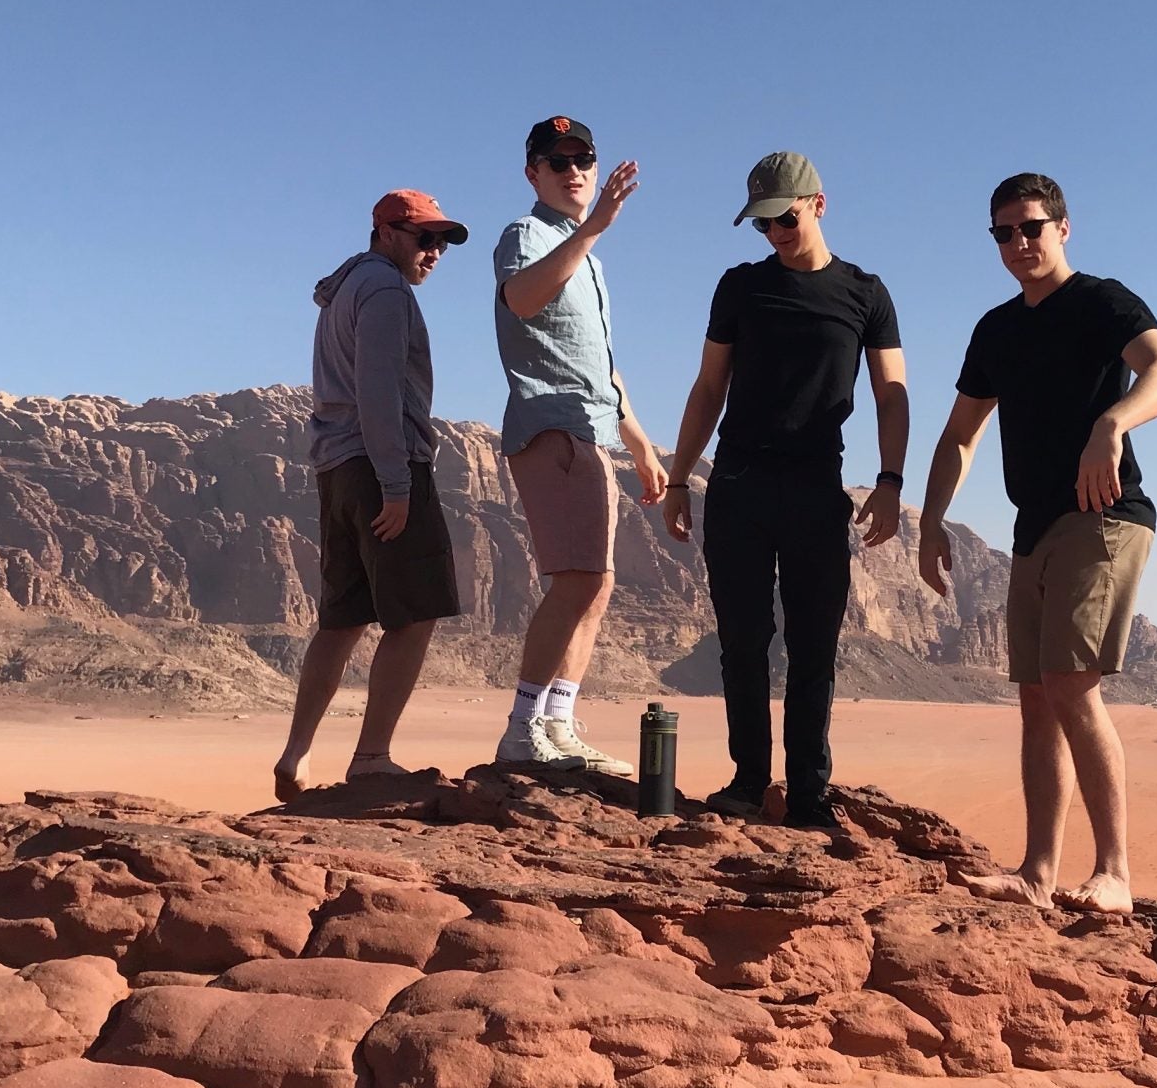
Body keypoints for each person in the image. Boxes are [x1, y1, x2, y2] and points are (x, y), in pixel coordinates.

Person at [918, 171, 1157, 912]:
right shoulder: (997, 330)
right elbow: (960, 435)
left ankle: (1115, 874)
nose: (1018, 244)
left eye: (1031, 227)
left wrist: (1112, 425)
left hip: (1104, 513)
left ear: (1063, 228)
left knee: (1071, 684)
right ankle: (1038, 874)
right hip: (1033, 525)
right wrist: (930, 519)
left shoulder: (1102, 302)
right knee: (1037, 699)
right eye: (1003, 232)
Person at [662, 150, 909, 830]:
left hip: (815, 489)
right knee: (742, 640)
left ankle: (808, 793)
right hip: (739, 484)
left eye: (785, 217)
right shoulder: (740, 288)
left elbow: (892, 394)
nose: (774, 231)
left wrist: (890, 480)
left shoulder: (865, 293)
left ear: (819, 205)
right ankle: (747, 781)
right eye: (762, 222)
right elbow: (709, 387)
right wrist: (680, 477)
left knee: (814, 646)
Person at [275, 189, 469, 802]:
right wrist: (396, 482)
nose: (434, 252)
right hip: (381, 464)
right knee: (415, 614)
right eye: (423, 238)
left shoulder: (344, 292)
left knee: (342, 619)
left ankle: (296, 753)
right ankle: (372, 757)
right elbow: (378, 389)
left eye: (441, 242)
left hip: (336, 470)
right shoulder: (385, 290)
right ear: (385, 233)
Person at [489, 116, 669, 774]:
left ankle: (558, 725)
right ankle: (522, 729)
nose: (574, 171)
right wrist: (595, 226)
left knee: (597, 585)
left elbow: (602, 363)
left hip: (594, 427)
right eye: (557, 161)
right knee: (577, 580)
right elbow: (524, 300)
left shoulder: (588, 260)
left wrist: (641, 441)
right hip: (550, 424)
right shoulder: (526, 236)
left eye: (583, 159)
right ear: (533, 172)